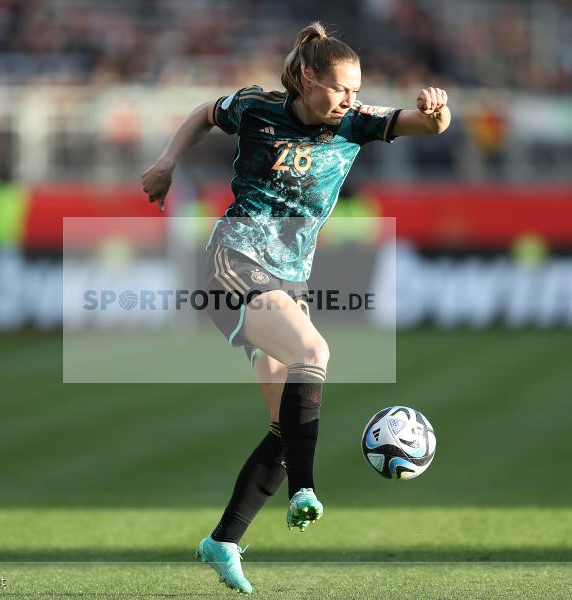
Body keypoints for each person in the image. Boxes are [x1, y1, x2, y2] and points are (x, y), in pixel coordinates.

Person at [141, 21, 450, 595]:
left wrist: (436, 113)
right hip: (232, 261)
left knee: (286, 425)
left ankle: (223, 541)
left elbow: (423, 124)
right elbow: (204, 112)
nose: (351, 100)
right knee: (314, 350)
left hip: (287, 280)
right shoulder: (257, 109)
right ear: (307, 80)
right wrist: (166, 162)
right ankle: (305, 489)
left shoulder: (356, 123)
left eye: (357, 91)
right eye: (340, 89)